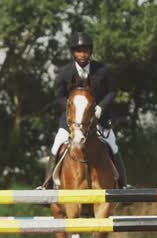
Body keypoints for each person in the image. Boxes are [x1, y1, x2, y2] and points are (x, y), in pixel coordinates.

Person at [41, 32, 128, 189]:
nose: (82, 54)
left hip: (98, 119)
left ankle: (123, 186)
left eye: (85, 51)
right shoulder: (65, 72)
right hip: (72, 121)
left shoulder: (102, 70)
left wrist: (100, 107)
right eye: (78, 51)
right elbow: (58, 95)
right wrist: (70, 109)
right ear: (73, 53)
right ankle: (47, 185)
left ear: (90, 52)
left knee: (112, 144)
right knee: (56, 144)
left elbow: (112, 91)